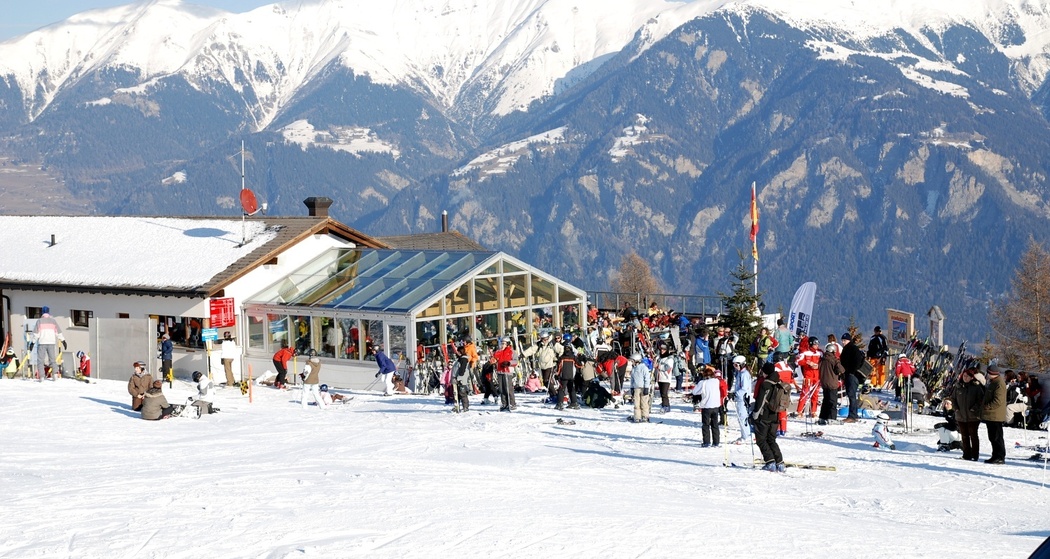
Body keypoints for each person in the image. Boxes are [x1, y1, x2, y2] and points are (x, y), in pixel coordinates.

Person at [751, 362, 785, 472]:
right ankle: (779, 462)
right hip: (775, 415)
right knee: (771, 439)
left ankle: (770, 462)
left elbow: (760, 402)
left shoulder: (765, 384)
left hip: (764, 416)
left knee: (761, 440)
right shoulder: (779, 382)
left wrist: (754, 415)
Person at [952, 367, 985, 462]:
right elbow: (953, 399)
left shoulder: (976, 387)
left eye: (967, 376)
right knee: (964, 436)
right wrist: (956, 408)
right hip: (961, 415)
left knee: (973, 435)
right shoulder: (958, 386)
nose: (965, 378)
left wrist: (974, 409)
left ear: (972, 377)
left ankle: (975, 455)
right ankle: (966, 454)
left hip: (973, 416)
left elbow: (980, 400)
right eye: (964, 376)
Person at [32, 306, 66, 381]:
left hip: (42, 342)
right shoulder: (53, 321)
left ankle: (41, 376)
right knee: (52, 359)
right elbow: (58, 332)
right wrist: (63, 340)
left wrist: (33, 342)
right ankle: (55, 375)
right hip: (51, 342)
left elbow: (36, 333)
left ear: (42, 312)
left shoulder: (39, 321)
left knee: (40, 360)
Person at [982, 365, 1007, 464]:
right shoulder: (993, 382)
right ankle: (995, 455)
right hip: (991, 415)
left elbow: (998, 401)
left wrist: (987, 406)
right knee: (992, 437)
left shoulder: (999, 383)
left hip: (995, 415)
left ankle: (1000, 456)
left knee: (997, 437)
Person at [839, 333, 866, 423]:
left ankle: (852, 415)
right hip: (849, 374)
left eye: (845, 340)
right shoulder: (848, 348)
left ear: (849, 340)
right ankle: (854, 414)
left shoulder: (852, 348)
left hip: (852, 375)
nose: (843, 342)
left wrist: (851, 371)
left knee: (851, 395)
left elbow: (857, 361)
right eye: (842, 340)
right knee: (851, 395)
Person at [695, 367, 723, 447]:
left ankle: (706, 442)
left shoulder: (703, 383)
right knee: (715, 425)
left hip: (706, 406)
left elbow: (695, 392)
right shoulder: (716, 381)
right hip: (716, 405)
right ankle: (716, 442)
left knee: (706, 425)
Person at [795, 337, 822, 418]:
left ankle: (813, 411)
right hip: (808, 376)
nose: (816, 346)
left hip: (817, 376)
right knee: (805, 394)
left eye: (817, 344)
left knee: (815, 395)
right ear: (811, 344)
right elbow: (797, 361)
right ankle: (799, 411)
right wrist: (807, 363)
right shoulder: (805, 353)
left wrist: (818, 365)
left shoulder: (820, 353)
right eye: (815, 344)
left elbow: (824, 362)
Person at [818, 343, 844, 425]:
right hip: (832, 383)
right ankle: (832, 418)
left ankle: (822, 417)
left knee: (825, 400)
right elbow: (841, 370)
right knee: (833, 401)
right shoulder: (833, 360)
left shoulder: (822, 359)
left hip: (824, 382)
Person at [730, 355, 753, 444]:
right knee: (741, 417)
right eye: (734, 365)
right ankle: (745, 434)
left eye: (736, 365)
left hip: (743, 399)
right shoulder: (740, 373)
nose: (735, 367)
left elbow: (744, 388)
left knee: (742, 417)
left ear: (742, 364)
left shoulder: (744, 374)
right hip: (740, 398)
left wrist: (736, 393)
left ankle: (746, 436)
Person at [494, 337, 518, 411]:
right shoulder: (499, 351)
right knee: (501, 389)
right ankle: (504, 403)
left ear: (508, 344)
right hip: (500, 371)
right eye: (502, 343)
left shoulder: (512, 351)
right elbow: (494, 358)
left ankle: (512, 403)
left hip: (507, 371)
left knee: (508, 388)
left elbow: (516, 361)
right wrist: (493, 360)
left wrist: (508, 363)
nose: (502, 345)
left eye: (504, 343)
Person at [629, 352, 652, 423]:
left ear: (637, 360)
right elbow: (632, 380)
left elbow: (647, 378)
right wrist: (632, 388)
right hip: (636, 388)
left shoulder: (643, 368)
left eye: (632, 361)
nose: (631, 362)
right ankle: (637, 417)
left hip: (643, 388)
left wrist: (646, 388)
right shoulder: (634, 369)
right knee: (636, 403)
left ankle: (645, 416)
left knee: (644, 403)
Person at [452, 345, 471, 412]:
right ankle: (457, 406)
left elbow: (462, 370)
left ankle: (465, 407)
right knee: (456, 394)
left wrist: (459, 378)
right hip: (457, 379)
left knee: (462, 393)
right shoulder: (460, 359)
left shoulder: (464, 359)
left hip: (461, 380)